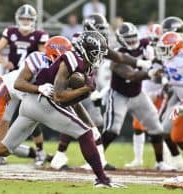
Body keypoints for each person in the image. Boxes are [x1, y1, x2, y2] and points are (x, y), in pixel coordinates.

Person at [0, 31, 125, 188]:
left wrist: (84, 100)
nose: (100, 57)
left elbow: (70, 103)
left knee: (3, 148)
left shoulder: (82, 65)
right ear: (87, 50)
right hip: (40, 101)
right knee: (84, 134)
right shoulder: (71, 59)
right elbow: (59, 96)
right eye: (97, 52)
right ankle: (102, 178)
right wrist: (85, 90)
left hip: (32, 104)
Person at [49, 13, 152, 170]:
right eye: (101, 28)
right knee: (79, 122)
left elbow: (117, 56)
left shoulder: (97, 41)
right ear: (91, 28)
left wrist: (139, 62)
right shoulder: (80, 40)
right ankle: (60, 156)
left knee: (94, 123)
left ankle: (92, 158)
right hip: (72, 86)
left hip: (85, 87)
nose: (104, 31)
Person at [101, 22, 174, 171]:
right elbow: (131, 75)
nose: (133, 41)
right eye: (128, 39)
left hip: (137, 94)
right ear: (121, 39)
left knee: (156, 128)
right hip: (119, 95)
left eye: (134, 37)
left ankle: (160, 163)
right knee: (112, 130)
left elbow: (158, 48)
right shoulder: (117, 54)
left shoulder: (144, 44)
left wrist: (156, 59)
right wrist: (151, 72)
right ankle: (97, 159)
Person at [0, 4, 49, 165]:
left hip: (28, 82)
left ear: (34, 20)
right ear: (18, 19)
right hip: (12, 81)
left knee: (31, 116)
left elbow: (45, 58)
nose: (26, 21)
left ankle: (40, 151)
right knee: (4, 118)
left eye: (29, 18)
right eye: (23, 18)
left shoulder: (39, 35)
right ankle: (0, 154)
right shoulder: (11, 32)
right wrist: (5, 62)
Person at [158, 32, 183, 189]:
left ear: (177, 47)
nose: (164, 51)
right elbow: (170, 75)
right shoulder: (169, 60)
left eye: (167, 48)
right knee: (177, 136)